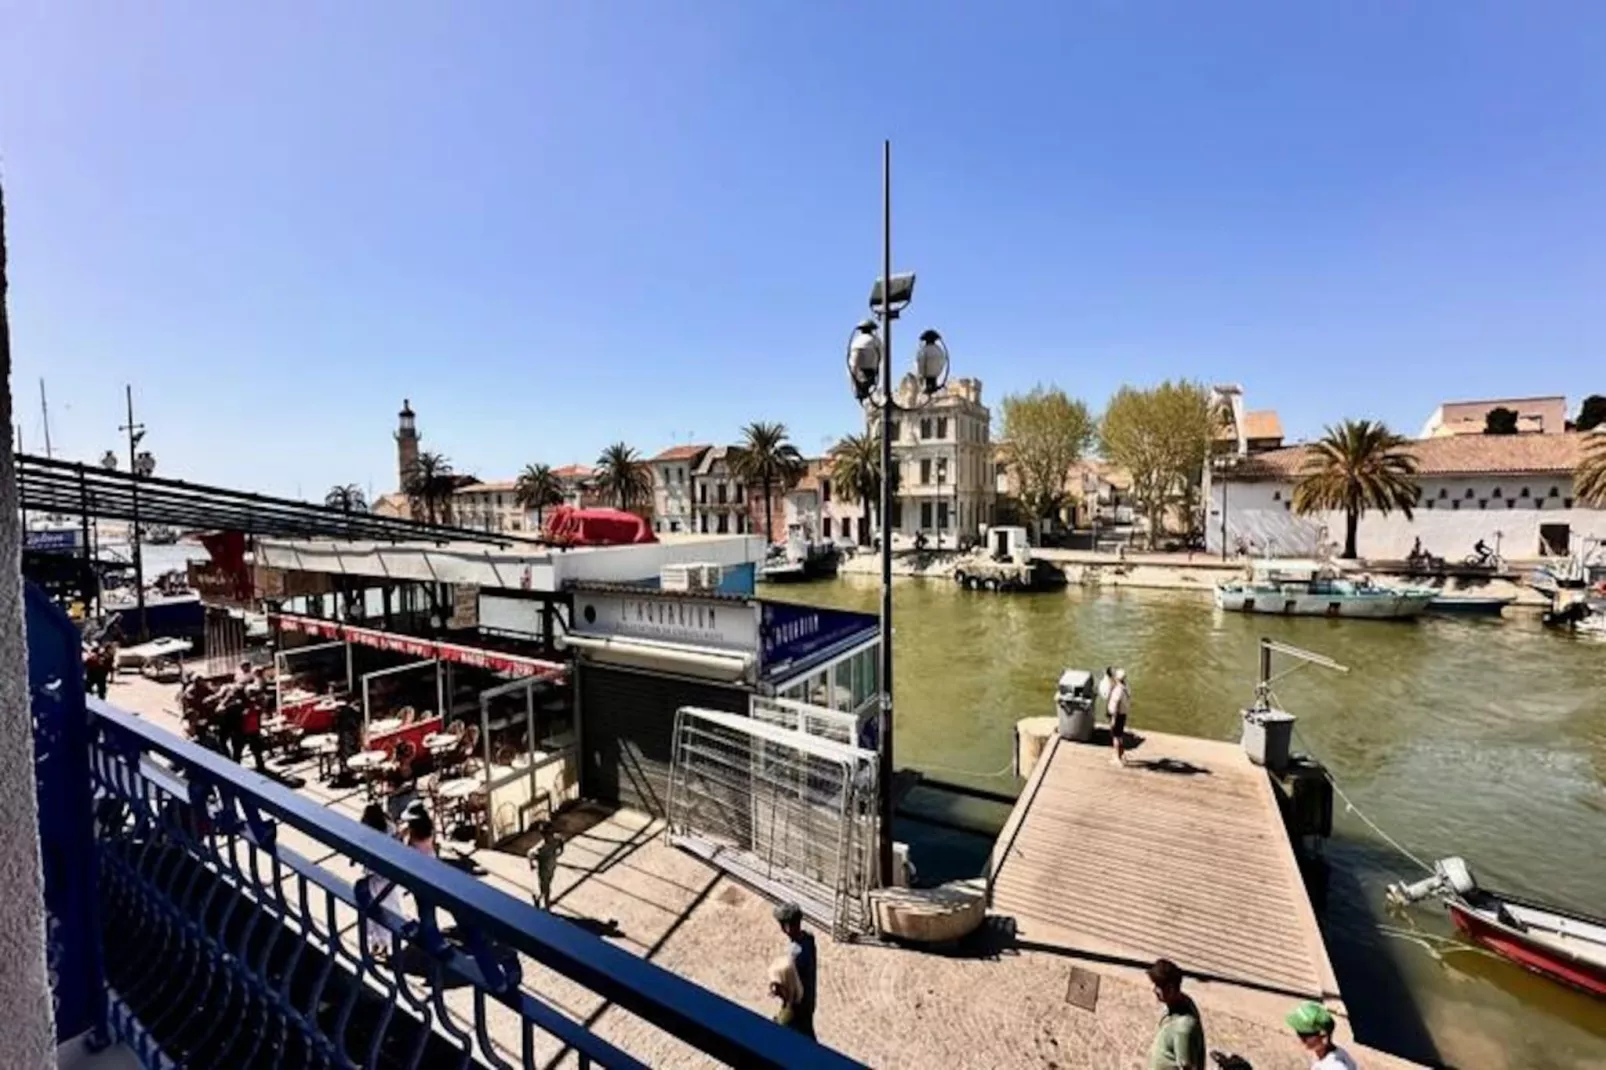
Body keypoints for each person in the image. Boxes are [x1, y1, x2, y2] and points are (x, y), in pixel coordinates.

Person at [1147, 958, 1205, 1070]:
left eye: (1158, 987)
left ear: (1170, 989)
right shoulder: (1181, 1002)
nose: (1154, 990)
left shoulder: (1183, 1029)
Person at [773, 901, 817, 1040]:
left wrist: (778, 990)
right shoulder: (809, 939)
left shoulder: (794, 955)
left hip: (797, 1008)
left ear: (787, 927)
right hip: (809, 1001)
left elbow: (792, 994)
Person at [357, 802, 396, 957]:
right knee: (390, 908)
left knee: (374, 911)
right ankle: (385, 943)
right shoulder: (389, 827)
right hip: (389, 876)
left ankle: (377, 943)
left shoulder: (368, 832)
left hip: (376, 876)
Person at [1286, 1002, 1359, 1069]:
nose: (1300, 1038)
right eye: (1298, 1032)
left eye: (1304, 1034)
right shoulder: (1323, 1053)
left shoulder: (1335, 1066)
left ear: (1324, 1037)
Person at [767, 954, 809, 1034]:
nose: (774, 990)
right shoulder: (793, 1003)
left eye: (778, 986)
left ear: (787, 985)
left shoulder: (791, 1013)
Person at [528, 821, 564, 911]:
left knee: (545, 888)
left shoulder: (556, 839)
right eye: (547, 834)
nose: (549, 836)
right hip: (543, 870)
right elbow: (530, 854)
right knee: (546, 889)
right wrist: (532, 864)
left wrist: (560, 852)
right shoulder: (541, 847)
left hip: (551, 867)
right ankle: (547, 908)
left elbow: (561, 842)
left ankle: (537, 898)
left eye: (550, 833)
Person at [1107, 668, 1131, 766]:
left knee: (1116, 737)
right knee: (1120, 736)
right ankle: (1121, 756)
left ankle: (1117, 759)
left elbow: (1116, 704)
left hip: (1117, 715)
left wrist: (1113, 718)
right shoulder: (1126, 688)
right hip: (1123, 714)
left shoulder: (1118, 689)